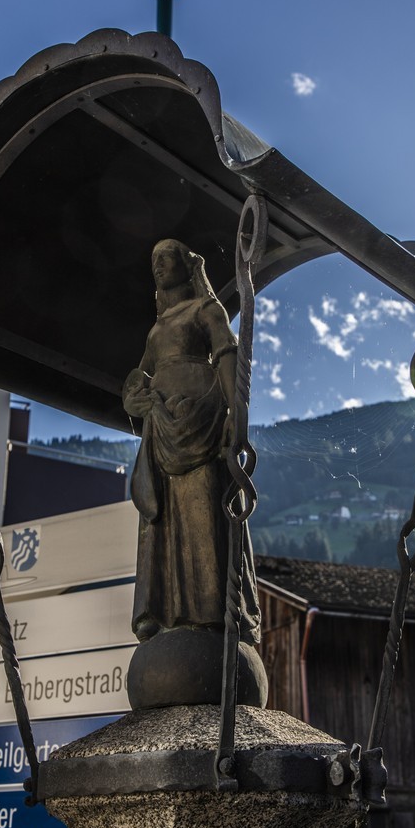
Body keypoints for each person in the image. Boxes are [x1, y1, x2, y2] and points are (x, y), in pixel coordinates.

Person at [123, 238, 261, 647]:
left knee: (205, 506)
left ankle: (213, 609)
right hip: (161, 424)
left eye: (166, 258)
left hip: (202, 416)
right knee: (161, 516)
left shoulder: (207, 310)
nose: (158, 266)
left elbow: (227, 354)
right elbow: (139, 377)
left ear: (187, 264)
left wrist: (235, 412)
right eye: (154, 261)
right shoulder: (156, 329)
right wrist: (133, 398)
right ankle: (160, 612)